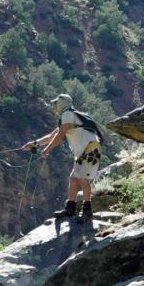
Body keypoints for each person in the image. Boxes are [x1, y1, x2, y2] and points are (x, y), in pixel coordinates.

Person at [24, 94, 103, 222]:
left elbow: (60, 136)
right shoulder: (68, 117)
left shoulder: (67, 114)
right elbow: (51, 136)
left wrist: (47, 150)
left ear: (62, 103)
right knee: (74, 179)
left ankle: (87, 210)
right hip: (87, 149)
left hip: (89, 148)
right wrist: (34, 144)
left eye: (56, 103)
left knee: (82, 178)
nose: (55, 106)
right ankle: (70, 209)